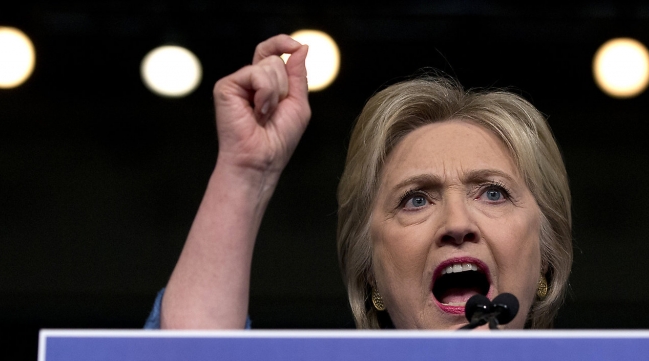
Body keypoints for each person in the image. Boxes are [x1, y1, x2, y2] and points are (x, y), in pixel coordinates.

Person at [148, 34, 572, 331]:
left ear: (547, 261)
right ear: (370, 276)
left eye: (493, 193)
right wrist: (245, 173)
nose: (456, 223)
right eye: (416, 200)